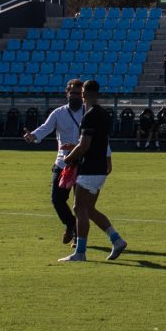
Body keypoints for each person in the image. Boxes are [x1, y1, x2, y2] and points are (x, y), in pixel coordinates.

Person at [27, 78, 126, 262]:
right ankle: (116, 240)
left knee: (79, 207)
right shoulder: (103, 113)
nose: (76, 96)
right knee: (85, 208)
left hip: (86, 167)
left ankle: (80, 251)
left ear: (85, 94)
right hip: (96, 168)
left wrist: (69, 156)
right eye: (72, 93)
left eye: (79, 93)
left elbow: (85, 144)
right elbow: (99, 141)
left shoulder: (88, 115)